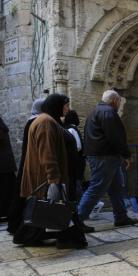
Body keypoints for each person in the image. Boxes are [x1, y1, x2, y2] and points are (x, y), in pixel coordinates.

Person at [15, 94, 87, 249]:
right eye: (65, 105)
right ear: (56, 106)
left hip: (47, 177)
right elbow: (47, 152)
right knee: (56, 207)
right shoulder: (46, 122)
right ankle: (67, 238)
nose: (68, 109)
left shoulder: (47, 121)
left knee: (47, 208)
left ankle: (30, 237)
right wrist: (54, 177)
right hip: (46, 178)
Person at [78, 90, 138, 227]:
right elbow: (115, 137)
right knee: (96, 188)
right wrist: (126, 155)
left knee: (116, 187)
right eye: (119, 102)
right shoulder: (109, 112)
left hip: (103, 156)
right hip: (105, 157)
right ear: (115, 101)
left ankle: (121, 217)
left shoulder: (96, 111)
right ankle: (77, 220)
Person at [7, 98, 45, 234]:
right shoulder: (36, 122)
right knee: (24, 195)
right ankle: (18, 225)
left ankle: (16, 225)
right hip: (30, 162)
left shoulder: (32, 121)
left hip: (27, 160)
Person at [63, 110, 86, 200]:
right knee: (77, 182)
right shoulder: (72, 129)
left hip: (75, 161)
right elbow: (78, 146)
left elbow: (77, 146)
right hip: (77, 161)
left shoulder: (70, 129)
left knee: (76, 183)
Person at [0, 116, 17, 221]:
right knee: (9, 191)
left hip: (3, 166)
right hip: (6, 166)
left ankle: (5, 213)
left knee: (5, 192)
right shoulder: (2, 127)